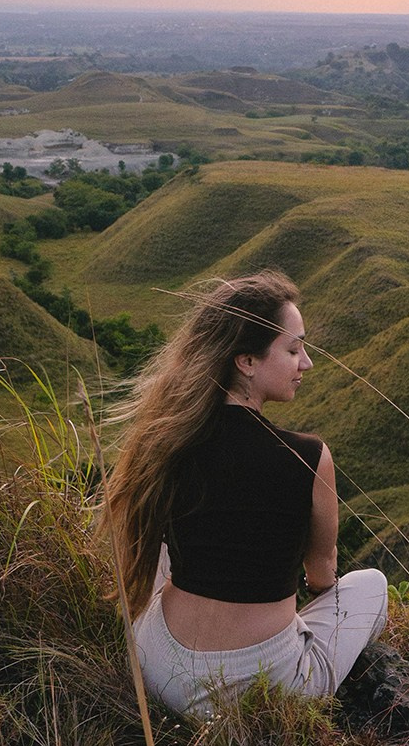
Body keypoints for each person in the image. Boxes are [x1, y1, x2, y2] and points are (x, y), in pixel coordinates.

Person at [104, 269, 388, 717]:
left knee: (160, 553)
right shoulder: (308, 457)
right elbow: (321, 578)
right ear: (247, 361)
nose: (306, 363)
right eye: (293, 349)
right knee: (371, 585)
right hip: (262, 690)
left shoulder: (167, 440)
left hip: (159, 670)